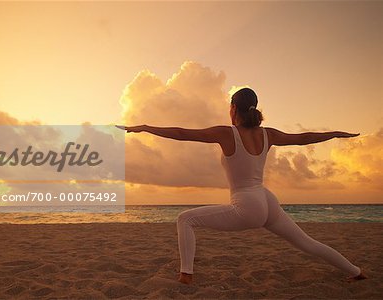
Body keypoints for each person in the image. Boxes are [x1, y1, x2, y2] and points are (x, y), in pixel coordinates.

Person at [116, 87, 367, 284]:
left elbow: (183, 133)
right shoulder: (268, 133)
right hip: (267, 200)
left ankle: (186, 275)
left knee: (185, 219)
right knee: (306, 242)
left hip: (247, 205)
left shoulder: (228, 133)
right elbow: (304, 139)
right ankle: (355, 271)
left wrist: (146, 127)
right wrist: (335, 133)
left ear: (233, 108)